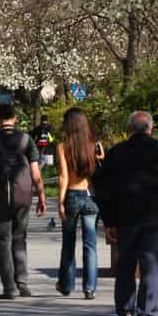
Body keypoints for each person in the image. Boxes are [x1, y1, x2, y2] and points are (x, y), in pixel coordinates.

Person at [92, 111, 158, 316]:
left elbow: (102, 187)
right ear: (150, 128)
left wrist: (109, 220)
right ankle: (146, 315)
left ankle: (125, 313)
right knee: (151, 266)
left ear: (130, 129)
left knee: (125, 265)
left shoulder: (117, 152)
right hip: (154, 218)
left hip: (125, 218)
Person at [0, 103, 46, 298]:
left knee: (3, 242)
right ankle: (22, 282)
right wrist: (41, 196)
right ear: (15, 118)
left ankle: (9, 288)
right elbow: (36, 173)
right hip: (23, 196)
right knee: (20, 238)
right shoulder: (26, 140)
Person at [54, 107, 101, 299]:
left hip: (72, 195)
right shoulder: (94, 146)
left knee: (68, 243)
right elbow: (100, 169)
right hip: (90, 197)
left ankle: (66, 284)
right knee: (90, 245)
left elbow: (63, 176)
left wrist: (60, 202)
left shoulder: (63, 147)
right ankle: (90, 287)